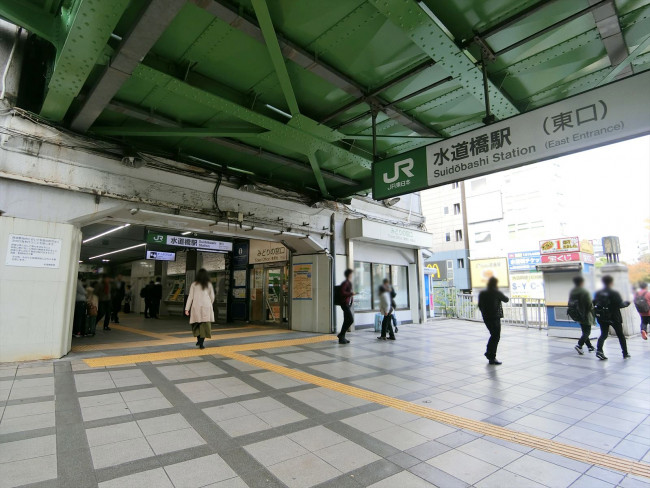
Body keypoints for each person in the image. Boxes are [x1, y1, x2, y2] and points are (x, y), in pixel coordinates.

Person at [594, 275, 631, 360]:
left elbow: (594, 303)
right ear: (611, 283)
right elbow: (620, 304)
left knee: (603, 334)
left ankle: (599, 350)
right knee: (620, 335)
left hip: (602, 317)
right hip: (614, 317)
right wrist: (628, 302)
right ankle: (625, 353)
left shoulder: (598, 293)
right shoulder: (614, 293)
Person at [478, 277, 509, 365]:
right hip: (495, 317)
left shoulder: (482, 293)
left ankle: (489, 354)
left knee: (493, 335)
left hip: (486, 317)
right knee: (496, 336)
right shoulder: (496, 292)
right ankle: (491, 356)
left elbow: (480, 305)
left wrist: (484, 313)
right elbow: (506, 299)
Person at [185, 268, 215, 349]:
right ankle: (201, 343)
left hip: (196, 306)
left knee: (196, 324)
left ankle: (199, 340)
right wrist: (209, 304)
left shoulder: (194, 284)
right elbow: (212, 296)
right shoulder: (209, 284)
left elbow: (190, 297)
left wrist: (187, 309)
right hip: (206, 306)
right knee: (205, 325)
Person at [568, 276, 595, 355]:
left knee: (584, 331)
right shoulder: (585, 292)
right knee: (587, 332)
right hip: (586, 314)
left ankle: (590, 346)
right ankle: (579, 345)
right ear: (581, 282)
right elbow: (590, 305)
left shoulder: (572, 291)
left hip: (577, 314)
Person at [337, 269, 356, 344]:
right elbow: (342, 292)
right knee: (351, 320)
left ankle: (342, 338)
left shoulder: (348, 283)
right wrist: (351, 293)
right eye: (351, 274)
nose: (352, 275)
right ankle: (341, 334)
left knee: (346, 321)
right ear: (348, 275)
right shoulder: (345, 283)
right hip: (344, 304)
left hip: (347, 304)